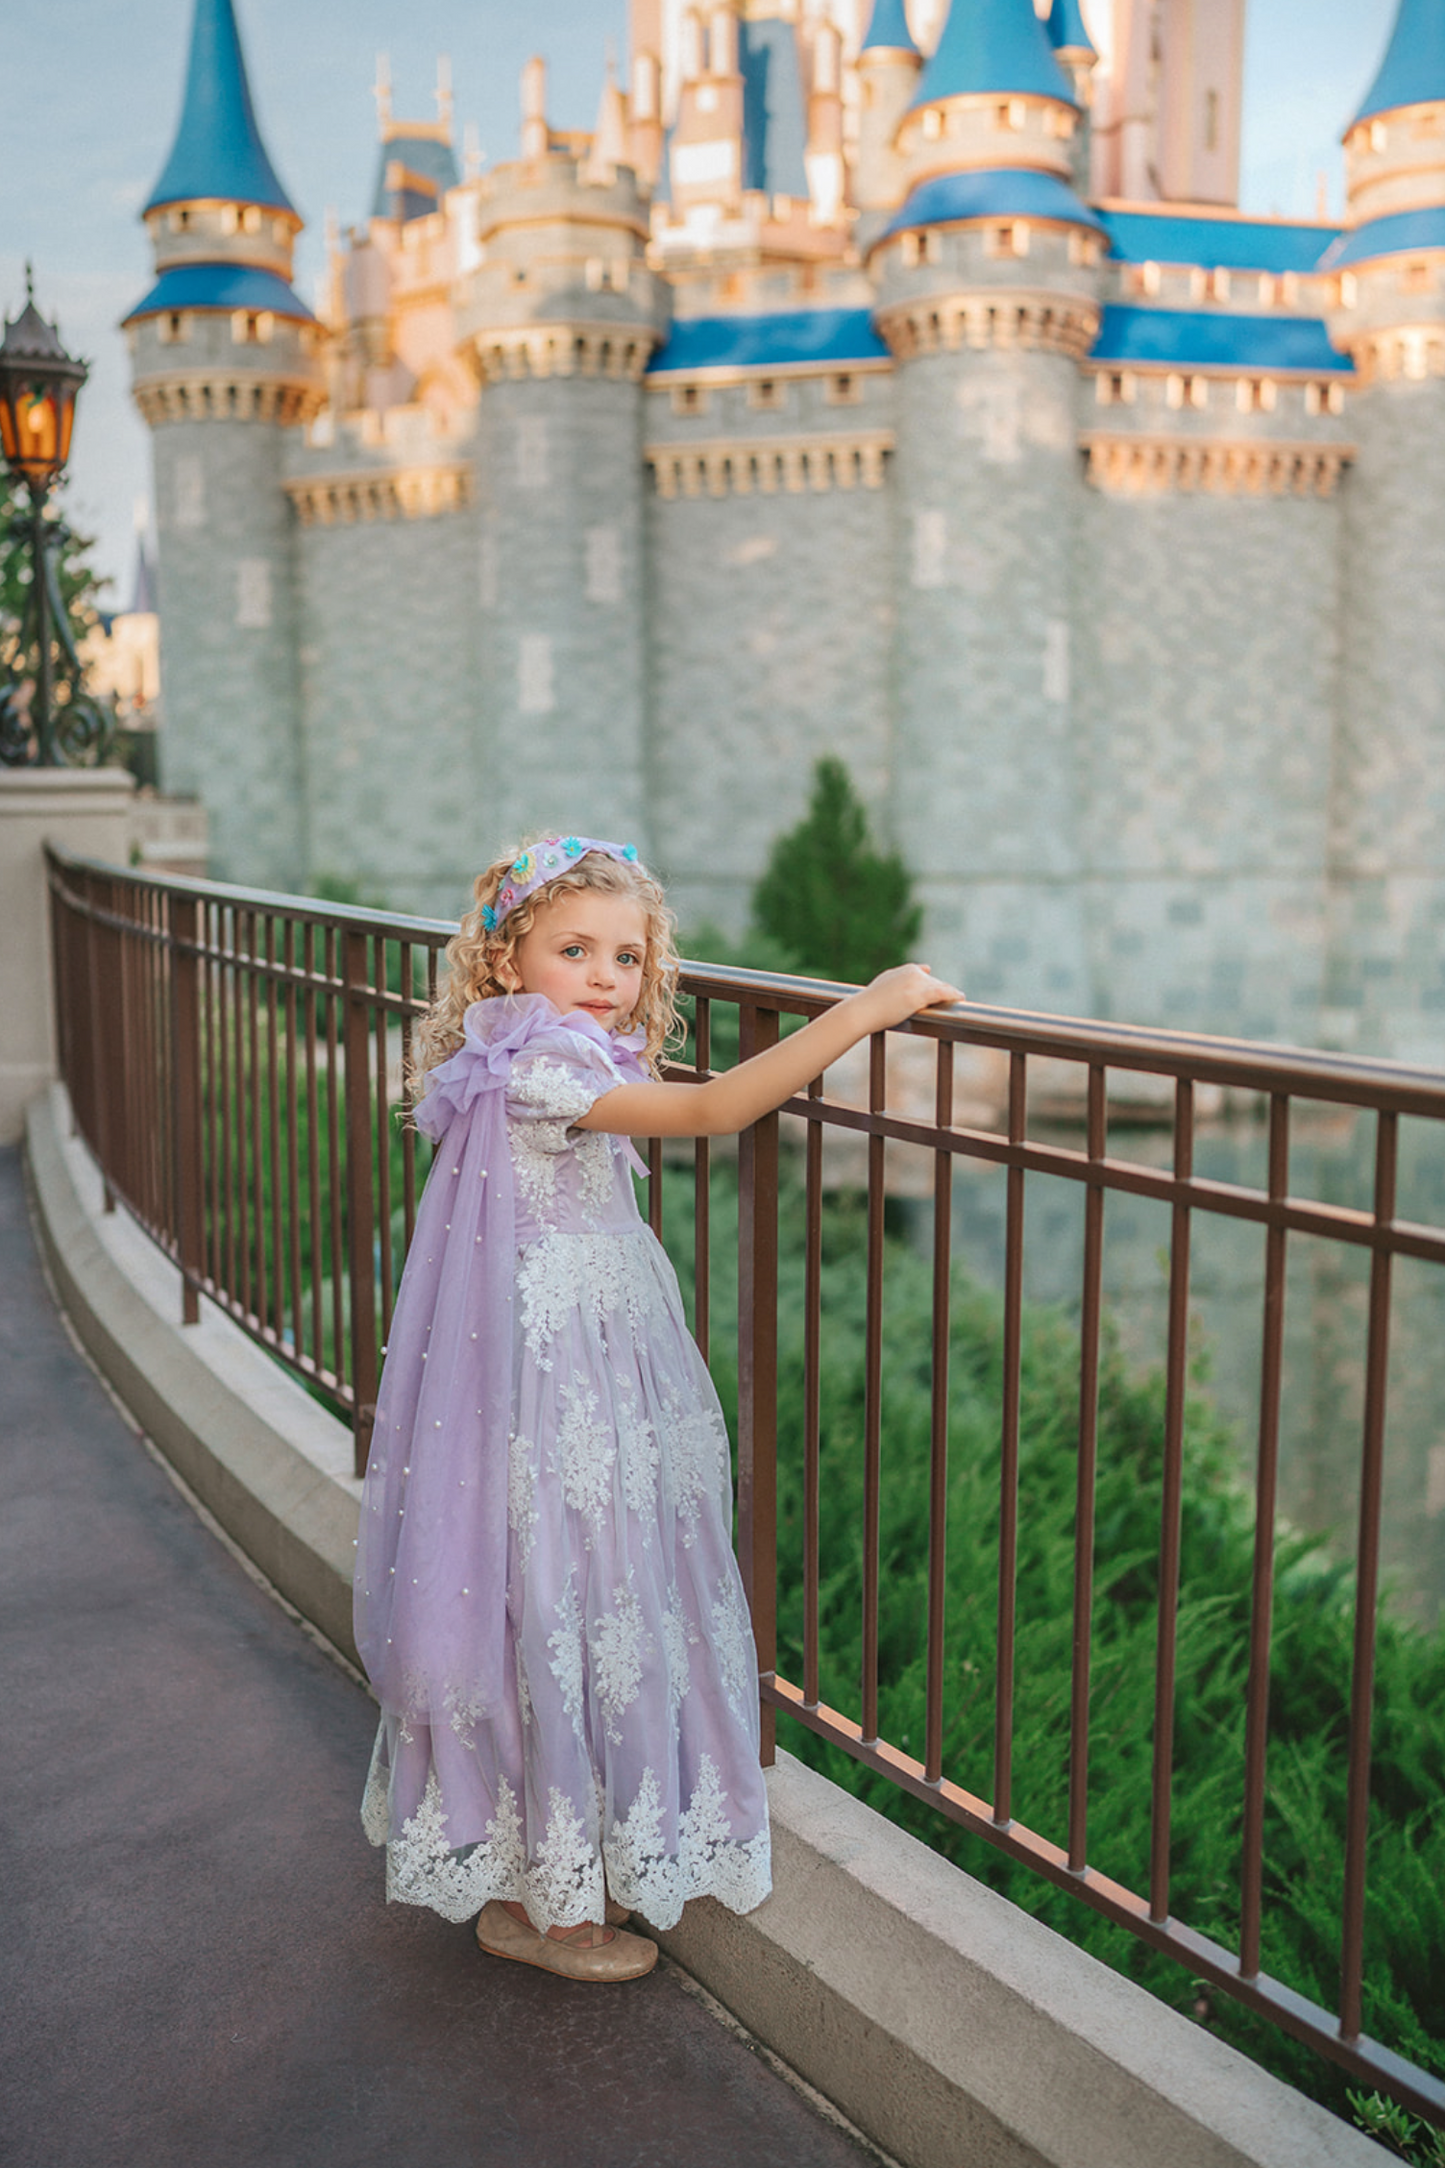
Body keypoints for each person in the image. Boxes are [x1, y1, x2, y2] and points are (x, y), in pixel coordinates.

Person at [354, 835, 963, 1981]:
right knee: (561, 1589)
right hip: (557, 1378)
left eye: (625, 956)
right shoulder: (539, 1067)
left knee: (599, 1587)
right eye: (572, 948)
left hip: (591, 1357)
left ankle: (566, 1864)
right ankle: (545, 1900)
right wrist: (867, 1007)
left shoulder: (535, 1053)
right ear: (503, 961)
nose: (604, 974)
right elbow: (722, 1108)